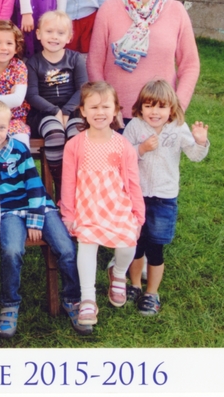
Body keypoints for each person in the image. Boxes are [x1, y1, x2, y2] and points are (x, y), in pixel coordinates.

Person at [0, 99, 83, 338]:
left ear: (9, 126)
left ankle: (72, 298)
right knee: (12, 250)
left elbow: (34, 185)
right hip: (8, 212)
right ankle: (10, 303)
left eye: (1, 127)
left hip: (39, 206)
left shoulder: (18, 149)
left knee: (66, 248)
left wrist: (35, 218)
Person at [60, 81, 145, 332]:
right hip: (86, 205)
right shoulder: (75, 144)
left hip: (116, 203)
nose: (100, 112)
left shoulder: (123, 145)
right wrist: (68, 214)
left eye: (106, 107)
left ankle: (118, 273)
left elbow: (133, 182)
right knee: (87, 245)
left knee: (128, 242)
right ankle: (88, 298)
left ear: (116, 110)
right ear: (83, 111)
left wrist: (138, 215)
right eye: (93, 107)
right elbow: (68, 182)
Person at [87, 0, 200, 126]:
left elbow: (190, 65)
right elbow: (94, 63)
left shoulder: (177, 11)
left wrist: (177, 107)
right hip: (117, 116)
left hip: (160, 116)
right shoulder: (109, 9)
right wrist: (106, 107)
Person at [123, 79, 209, 315]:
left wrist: (200, 141)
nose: (155, 112)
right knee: (135, 245)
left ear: (171, 109)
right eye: (149, 106)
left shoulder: (178, 128)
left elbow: (195, 155)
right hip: (136, 197)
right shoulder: (135, 127)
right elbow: (122, 156)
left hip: (164, 199)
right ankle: (134, 285)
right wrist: (141, 149)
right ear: (140, 108)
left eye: (161, 106)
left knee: (155, 247)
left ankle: (152, 293)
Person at [25, 10, 87, 197]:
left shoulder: (75, 59)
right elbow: (32, 95)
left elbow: (83, 89)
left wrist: (66, 111)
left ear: (69, 37)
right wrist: (54, 111)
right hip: (43, 113)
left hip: (73, 110)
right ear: (38, 34)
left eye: (60, 33)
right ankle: (61, 187)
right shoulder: (33, 63)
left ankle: (81, 185)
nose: (54, 37)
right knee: (55, 133)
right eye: (49, 31)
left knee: (78, 135)